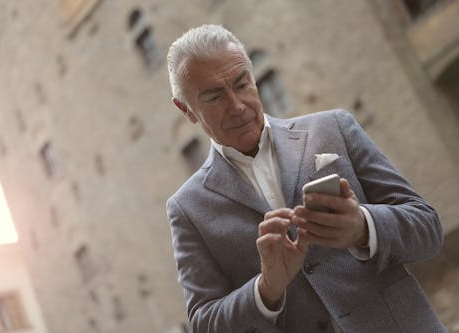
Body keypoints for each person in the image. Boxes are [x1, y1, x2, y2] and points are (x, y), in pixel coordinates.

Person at [165, 24, 445, 333]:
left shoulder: (334, 128)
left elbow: (428, 228)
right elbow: (205, 324)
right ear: (186, 110)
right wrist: (266, 288)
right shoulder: (187, 209)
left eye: (242, 84)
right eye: (215, 97)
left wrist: (363, 227)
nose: (237, 105)